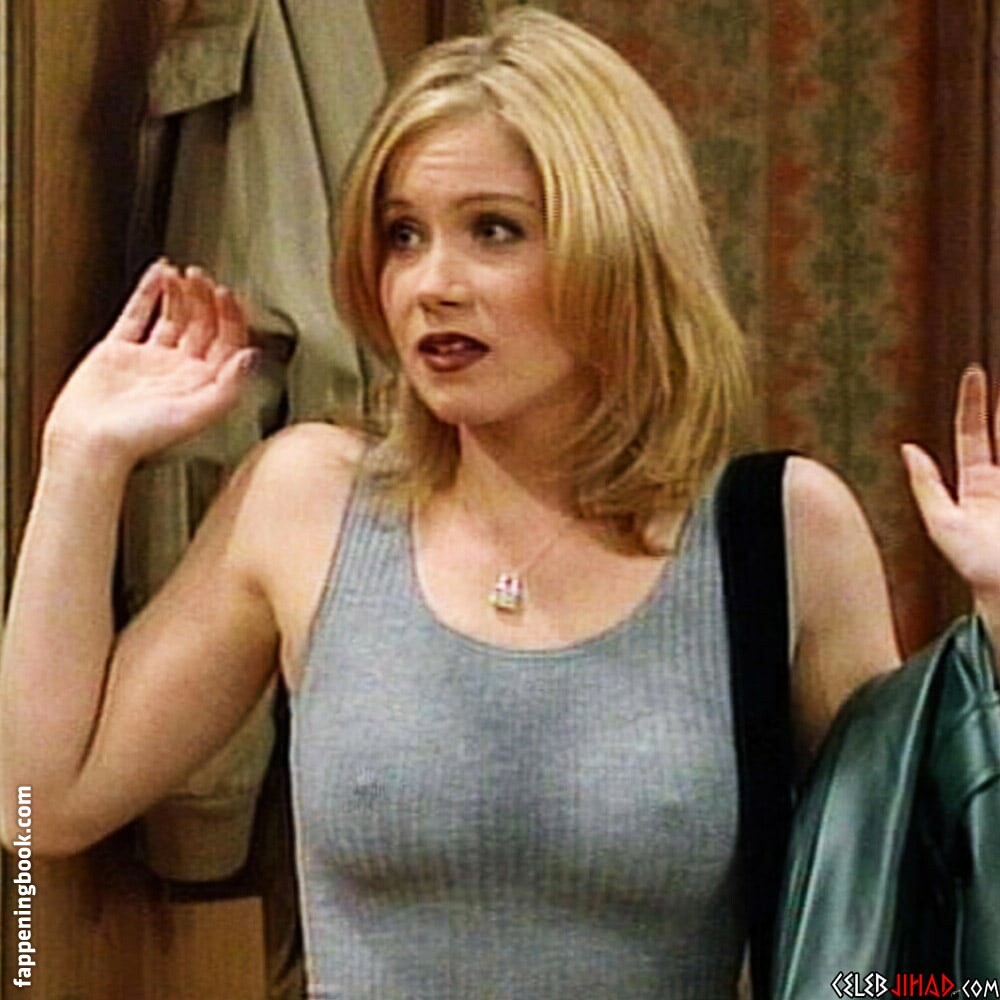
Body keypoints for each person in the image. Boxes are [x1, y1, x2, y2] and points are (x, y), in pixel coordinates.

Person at [1, 7, 998, 998]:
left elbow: (913, 914)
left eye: (494, 231)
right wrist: (80, 459)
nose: (432, 284)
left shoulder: (782, 531)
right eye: (403, 235)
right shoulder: (305, 501)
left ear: (618, 247)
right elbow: (38, 805)